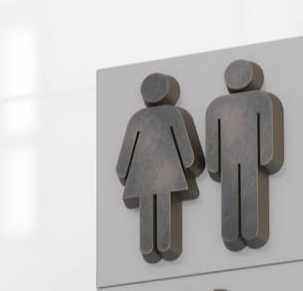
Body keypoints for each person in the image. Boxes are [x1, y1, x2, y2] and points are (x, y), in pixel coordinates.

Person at [117, 73, 204, 263]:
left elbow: (122, 164)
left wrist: (124, 174)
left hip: (142, 179)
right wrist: (191, 167)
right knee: (164, 209)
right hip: (169, 175)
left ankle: (149, 249)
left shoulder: (137, 119)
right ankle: (164, 245)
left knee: (148, 213)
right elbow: (188, 154)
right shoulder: (174, 114)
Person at [204, 60, 283, 251]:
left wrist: (214, 165)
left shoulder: (218, 105)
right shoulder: (260, 100)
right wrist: (266, 157)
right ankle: (244, 232)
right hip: (247, 159)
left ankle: (235, 234)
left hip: (232, 161)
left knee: (235, 195)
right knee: (244, 194)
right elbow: (214, 137)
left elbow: (214, 141)